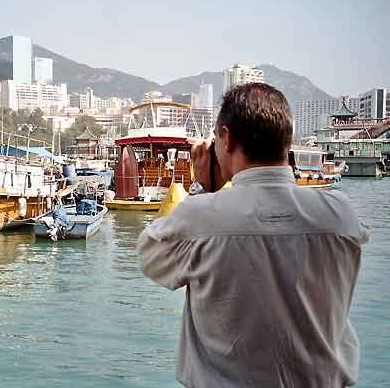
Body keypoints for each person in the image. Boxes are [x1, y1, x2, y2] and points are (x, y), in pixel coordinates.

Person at [137, 83, 369, 387]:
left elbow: (150, 258)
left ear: (227, 138)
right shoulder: (340, 214)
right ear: (286, 140)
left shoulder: (200, 217)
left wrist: (203, 189)